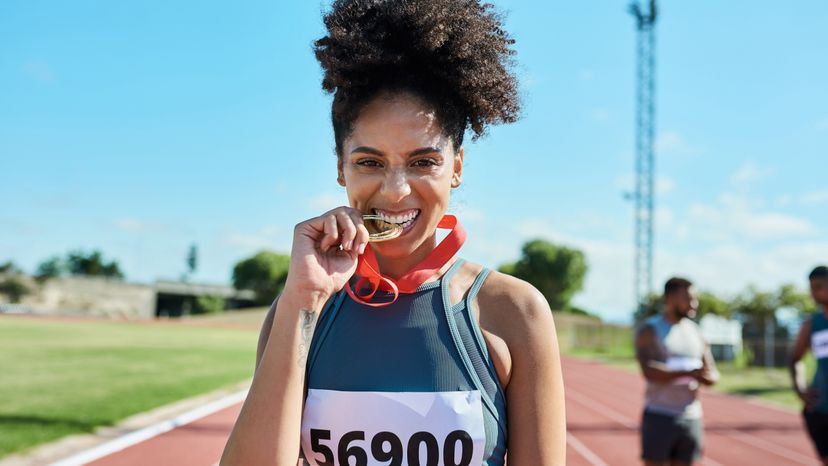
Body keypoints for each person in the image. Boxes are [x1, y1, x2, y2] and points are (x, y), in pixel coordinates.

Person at [220, 1, 566, 465]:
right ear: (341, 168)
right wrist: (303, 301)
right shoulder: (300, 311)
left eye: (423, 161)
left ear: (456, 167)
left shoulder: (514, 311)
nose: (397, 190)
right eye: (370, 162)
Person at [634, 277, 719, 466]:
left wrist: (706, 377)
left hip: (691, 417)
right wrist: (689, 373)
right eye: (688, 298)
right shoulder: (650, 330)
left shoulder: (697, 333)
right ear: (670, 299)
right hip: (659, 415)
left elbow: (712, 373)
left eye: (695, 299)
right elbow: (649, 371)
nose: (694, 304)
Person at [790, 265, 828, 465]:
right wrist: (800, 389)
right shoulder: (812, 324)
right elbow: (796, 359)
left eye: (820, 286)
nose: (814, 293)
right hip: (820, 409)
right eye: (812, 288)